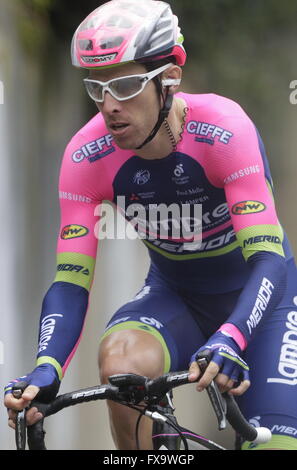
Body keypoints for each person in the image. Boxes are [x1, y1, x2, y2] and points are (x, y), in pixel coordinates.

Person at [4, 0, 297, 451]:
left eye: (123, 85)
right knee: (121, 363)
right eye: (96, 88)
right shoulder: (86, 157)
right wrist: (47, 367)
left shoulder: (224, 131)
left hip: (265, 303)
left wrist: (235, 334)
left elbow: (269, 259)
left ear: (168, 81)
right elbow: (70, 282)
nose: (108, 106)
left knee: (275, 446)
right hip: (174, 296)